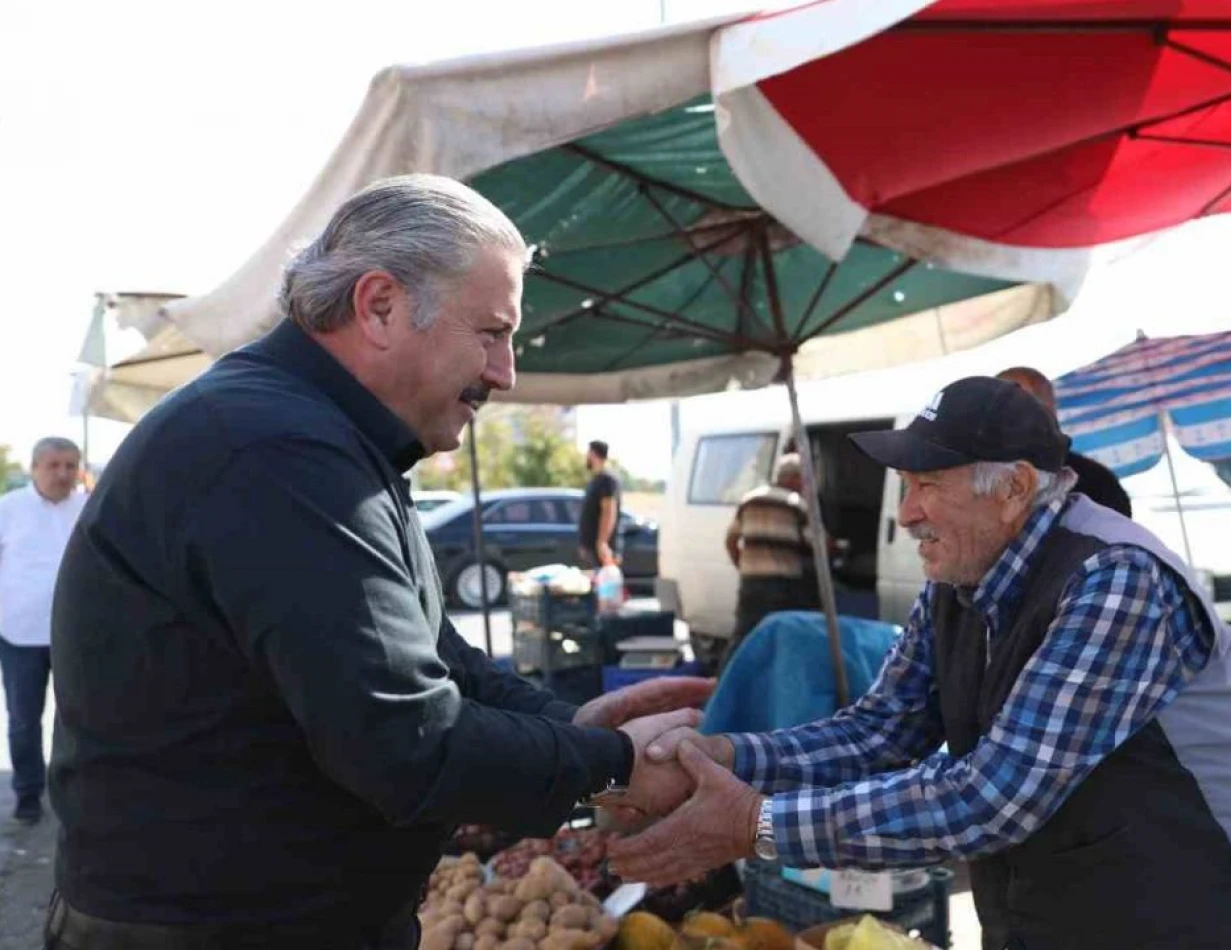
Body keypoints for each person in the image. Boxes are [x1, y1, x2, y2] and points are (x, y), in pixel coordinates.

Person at [47, 175, 711, 950]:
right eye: (493, 333)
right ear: (380, 306)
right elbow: (408, 745)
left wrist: (575, 726)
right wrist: (616, 766)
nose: (505, 375)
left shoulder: (321, 440)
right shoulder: (273, 449)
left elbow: (440, 660)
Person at [607, 377, 1231, 950]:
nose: (906, 513)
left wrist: (757, 824)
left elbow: (992, 798)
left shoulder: (1117, 579)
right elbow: (881, 732)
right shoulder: (963, 577)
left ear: (1015, 488)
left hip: (1213, 924)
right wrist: (717, 756)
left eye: (928, 485)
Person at [0, 437, 85, 825]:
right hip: (19, 633)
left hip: (76, 634)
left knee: (80, 717)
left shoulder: (89, 508)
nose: (62, 474)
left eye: (70, 465)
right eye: (53, 465)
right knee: (23, 720)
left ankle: (77, 793)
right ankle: (28, 792)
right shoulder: (8, 509)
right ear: (35, 468)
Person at [996, 365, 1132, 517]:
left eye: (1014, 407)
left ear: (1047, 411)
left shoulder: (1096, 483)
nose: (1001, 417)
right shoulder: (981, 478)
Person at [723, 453, 821, 661]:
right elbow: (817, 545)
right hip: (783, 585)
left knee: (743, 635)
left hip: (752, 582)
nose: (806, 484)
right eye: (805, 479)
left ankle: (724, 685)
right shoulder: (796, 503)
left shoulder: (750, 499)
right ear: (794, 479)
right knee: (786, 638)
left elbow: (731, 541)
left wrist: (744, 567)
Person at [579, 440, 620, 570]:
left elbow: (608, 511)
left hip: (600, 550)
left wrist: (602, 542)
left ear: (593, 454)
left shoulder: (607, 480)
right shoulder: (596, 479)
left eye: (588, 453)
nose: (586, 457)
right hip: (590, 547)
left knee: (605, 587)